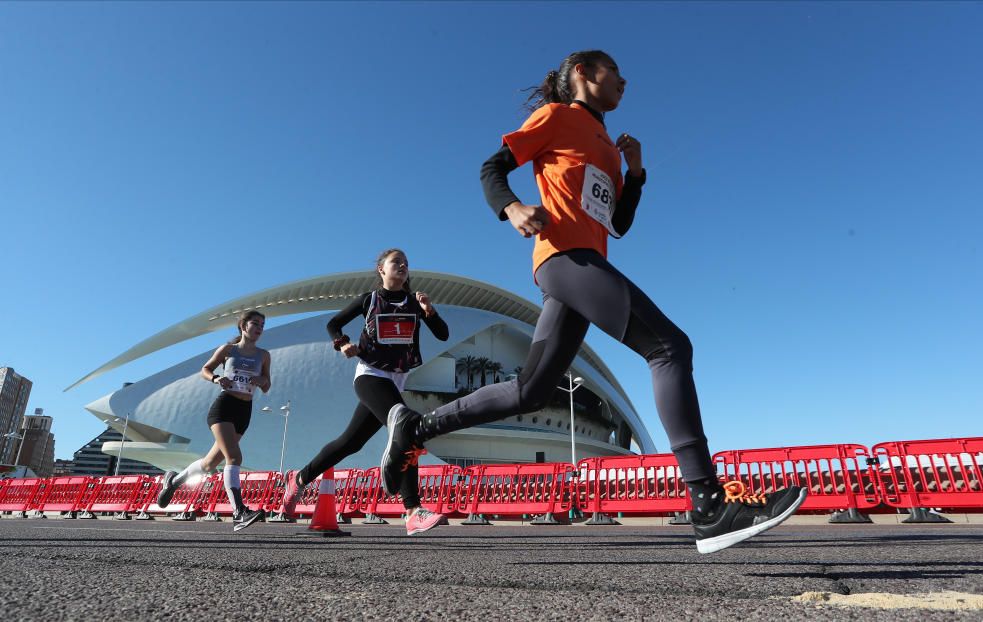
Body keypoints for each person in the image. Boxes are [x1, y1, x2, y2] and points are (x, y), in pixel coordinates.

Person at [380, 50, 807, 553]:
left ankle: (416, 427)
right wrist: (512, 207)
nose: (625, 81)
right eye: (615, 72)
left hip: (581, 264)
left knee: (530, 391)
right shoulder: (556, 117)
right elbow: (492, 167)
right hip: (564, 259)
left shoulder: (606, 145)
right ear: (583, 73)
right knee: (668, 347)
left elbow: (619, 225)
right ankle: (707, 503)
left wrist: (636, 171)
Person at [280, 248, 450, 536]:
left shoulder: (414, 302)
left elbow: (443, 334)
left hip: (396, 381)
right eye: (396, 262)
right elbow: (333, 324)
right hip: (370, 376)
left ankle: (298, 478)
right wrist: (342, 343)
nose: (403, 265)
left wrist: (430, 311)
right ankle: (412, 511)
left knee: (350, 443)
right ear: (381, 269)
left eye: (406, 263)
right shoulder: (368, 300)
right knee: (408, 428)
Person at [157, 310, 271, 532]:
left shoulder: (264, 355)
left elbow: (267, 385)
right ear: (243, 325)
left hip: (244, 410)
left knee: (210, 464)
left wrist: (261, 380)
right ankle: (239, 512)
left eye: (262, 325)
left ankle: (173, 481)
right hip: (223, 408)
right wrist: (217, 378)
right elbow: (205, 369)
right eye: (255, 323)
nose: (259, 328)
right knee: (234, 456)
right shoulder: (228, 350)